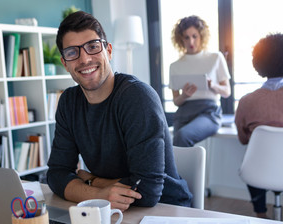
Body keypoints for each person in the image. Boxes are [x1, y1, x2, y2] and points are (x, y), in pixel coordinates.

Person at [46, 11, 192, 212]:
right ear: (65, 63)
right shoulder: (68, 102)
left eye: (93, 47)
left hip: (163, 211)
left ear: (109, 51)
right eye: (72, 52)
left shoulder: (137, 97)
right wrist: (98, 194)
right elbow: (56, 174)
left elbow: (147, 191)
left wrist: (93, 180)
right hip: (108, 210)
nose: (85, 59)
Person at [235, 33, 283, 219]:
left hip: (260, 172)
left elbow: (242, 139)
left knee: (252, 159)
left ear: (259, 63)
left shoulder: (247, 101)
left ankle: (261, 214)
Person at [169, 15, 231, 147]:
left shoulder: (215, 58)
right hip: (183, 113)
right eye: (186, 37)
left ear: (201, 36)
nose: (191, 41)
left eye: (194, 36)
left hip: (208, 113)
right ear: (181, 39)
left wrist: (212, 85)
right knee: (172, 148)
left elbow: (227, 92)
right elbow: (176, 101)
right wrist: (185, 95)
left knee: (182, 136)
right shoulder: (175, 66)